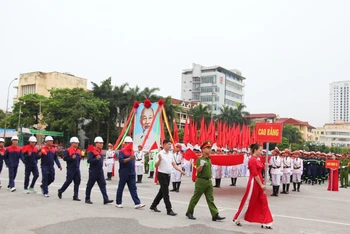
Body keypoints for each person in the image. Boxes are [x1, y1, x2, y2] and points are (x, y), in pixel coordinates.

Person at [233, 143, 273, 229]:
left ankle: (266, 221)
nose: (261, 152)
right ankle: (237, 218)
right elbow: (255, 174)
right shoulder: (251, 160)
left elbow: (261, 168)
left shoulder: (257, 159)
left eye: (261, 150)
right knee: (248, 201)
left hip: (260, 182)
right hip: (254, 182)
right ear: (255, 150)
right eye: (260, 150)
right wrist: (261, 184)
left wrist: (265, 166)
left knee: (263, 201)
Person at [186, 140, 225, 221]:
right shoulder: (200, 159)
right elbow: (198, 170)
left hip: (208, 181)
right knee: (196, 198)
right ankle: (189, 212)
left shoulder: (209, 159)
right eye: (208, 148)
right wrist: (201, 166)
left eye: (210, 148)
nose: (209, 150)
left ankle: (215, 214)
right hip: (201, 181)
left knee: (210, 199)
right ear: (203, 149)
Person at [149, 139, 186, 216]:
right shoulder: (160, 154)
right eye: (169, 144)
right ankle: (169, 209)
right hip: (161, 174)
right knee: (166, 192)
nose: (170, 146)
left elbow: (174, 164)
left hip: (168, 175)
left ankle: (153, 205)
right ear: (164, 145)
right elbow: (156, 165)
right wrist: (159, 160)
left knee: (162, 192)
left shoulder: (171, 154)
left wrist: (181, 171)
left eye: (170, 144)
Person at [116, 136, 145, 209]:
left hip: (132, 172)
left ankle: (137, 203)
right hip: (124, 172)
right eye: (128, 143)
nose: (129, 144)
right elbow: (121, 161)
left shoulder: (132, 151)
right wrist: (129, 158)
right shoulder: (122, 151)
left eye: (130, 143)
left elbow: (133, 161)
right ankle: (118, 202)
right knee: (121, 187)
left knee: (133, 188)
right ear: (125, 143)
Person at [85, 136, 113, 205]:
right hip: (93, 171)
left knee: (103, 185)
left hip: (100, 171)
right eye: (100, 143)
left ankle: (105, 199)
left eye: (102, 143)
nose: (101, 144)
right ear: (96, 143)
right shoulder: (92, 151)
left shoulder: (101, 152)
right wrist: (95, 159)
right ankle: (87, 198)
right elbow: (89, 161)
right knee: (90, 185)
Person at [58, 137, 81, 201]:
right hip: (70, 168)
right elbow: (65, 158)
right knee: (68, 181)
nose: (77, 144)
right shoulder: (68, 150)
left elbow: (79, 159)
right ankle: (60, 190)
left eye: (77, 143)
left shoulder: (78, 151)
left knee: (77, 182)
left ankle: (75, 196)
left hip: (77, 168)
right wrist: (71, 158)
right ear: (72, 143)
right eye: (75, 143)